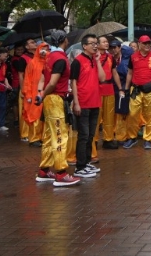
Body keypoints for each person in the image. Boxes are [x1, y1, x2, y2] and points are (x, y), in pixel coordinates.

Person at [35, 30, 80, 187]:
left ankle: (44, 169)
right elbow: (52, 83)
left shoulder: (49, 57)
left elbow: (42, 78)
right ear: (64, 40)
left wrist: (40, 93)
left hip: (50, 98)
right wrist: (42, 94)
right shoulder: (60, 59)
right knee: (60, 135)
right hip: (55, 99)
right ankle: (60, 173)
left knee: (49, 135)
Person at [70, 34, 105, 179]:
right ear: (84, 46)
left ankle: (87, 162)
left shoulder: (94, 60)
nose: (95, 46)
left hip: (95, 102)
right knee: (83, 135)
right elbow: (73, 83)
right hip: (83, 103)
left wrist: (97, 62)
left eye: (96, 43)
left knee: (91, 135)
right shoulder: (77, 62)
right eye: (92, 43)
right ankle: (80, 166)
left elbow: (102, 78)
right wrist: (76, 103)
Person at [123, 35, 151, 150]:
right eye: (145, 43)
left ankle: (148, 139)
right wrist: (126, 88)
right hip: (136, 89)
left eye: (149, 43)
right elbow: (130, 73)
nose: (147, 45)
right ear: (139, 45)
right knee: (132, 114)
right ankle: (132, 137)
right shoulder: (133, 57)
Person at [15, 39, 43, 146]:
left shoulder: (38, 57)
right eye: (31, 42)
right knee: (25, 110)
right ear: (26, 47)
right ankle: (25, 133)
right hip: (27, 89)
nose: (34, 43)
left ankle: (36, 133)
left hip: (37, 89)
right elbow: (20, 75)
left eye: (34, 42)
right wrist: (23, 89)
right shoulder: (23, 58)